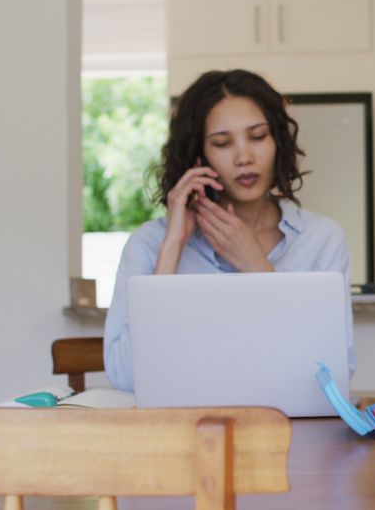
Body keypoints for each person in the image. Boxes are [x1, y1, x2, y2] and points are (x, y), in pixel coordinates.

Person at [104, 69, 353, 392]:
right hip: (185, 436)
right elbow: (126, 377)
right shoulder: (150, 244)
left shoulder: (323, 240)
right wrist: (172, 249)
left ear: (278, 140)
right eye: (222, 143)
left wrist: (256, 267)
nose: (245, 157)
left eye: (258, 136)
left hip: (291, 433)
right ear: (198, 157)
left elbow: (334, 375)